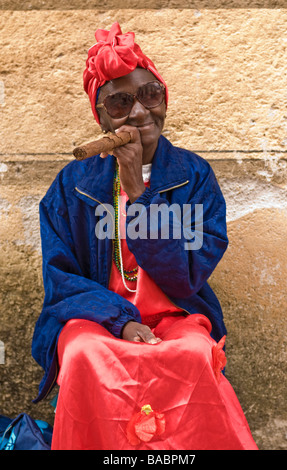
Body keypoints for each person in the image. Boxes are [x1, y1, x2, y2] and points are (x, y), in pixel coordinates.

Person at [31, 22, 258, 450]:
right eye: (119, 103)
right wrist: (119, 321)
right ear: (100, 117)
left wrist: (140, 193)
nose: (139, 113)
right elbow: (60, 279)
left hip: (176, 315)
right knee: (82, 355)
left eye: (150, 95)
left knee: (192, 353)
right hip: (97, 320)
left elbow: (186, 277)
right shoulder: (70, 185)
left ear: (164, 98)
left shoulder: (194, 177)